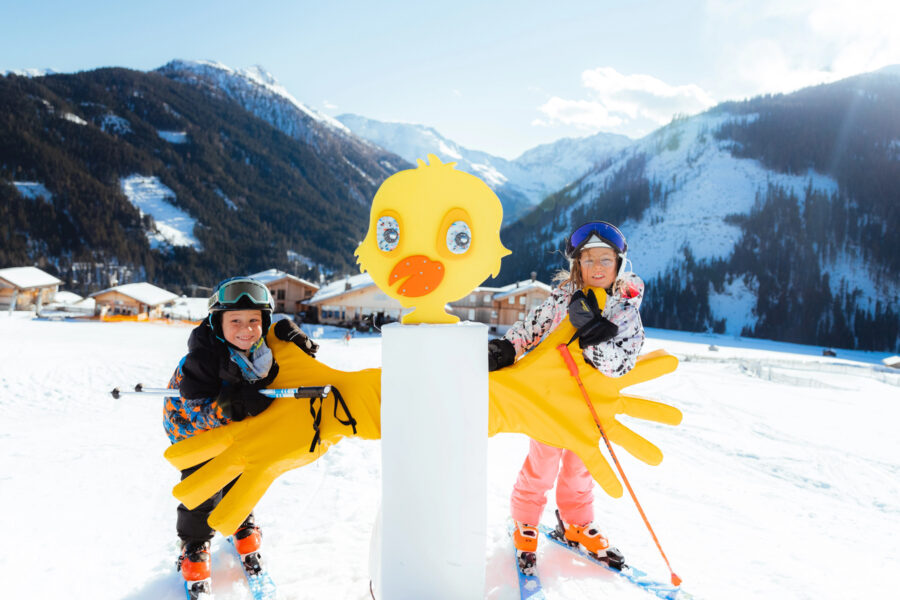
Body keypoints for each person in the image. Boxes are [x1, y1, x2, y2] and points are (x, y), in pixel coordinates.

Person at [487, 221, 645, 574]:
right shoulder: (561, 299)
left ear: (619, 264)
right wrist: (505, 350)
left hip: (590, 409)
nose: (598, 267)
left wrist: (594, 338)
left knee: (580, 469)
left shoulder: (626, 311)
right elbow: (531, 329)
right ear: (578, 265)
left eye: (606, 259)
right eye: (589, 260)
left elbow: (622, 364)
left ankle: (576, 523)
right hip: (550, 401)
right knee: (541, 466)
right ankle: (525, 521)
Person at [163, 277, 318, 595]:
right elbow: (196, 413)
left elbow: (289, 367)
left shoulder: (261, 351)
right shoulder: (202, 360)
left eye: (254, 320)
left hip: (238, 431)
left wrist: (298, 345)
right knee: (204, 489)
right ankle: (194, 546)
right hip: (194, 434)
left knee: (243, 475)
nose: (246, 329)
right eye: (235, 321)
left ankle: (240, 522)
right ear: (217, 323)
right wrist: (231, 406)